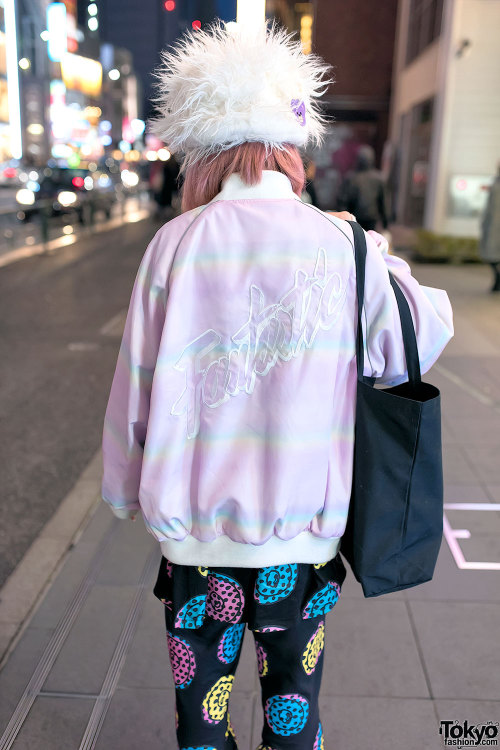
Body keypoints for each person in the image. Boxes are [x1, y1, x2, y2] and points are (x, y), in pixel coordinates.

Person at [101, 22, 453, 750]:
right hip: (302, 539)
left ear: (204, 155)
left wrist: (122, 486)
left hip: (196, 542)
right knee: (296, 706)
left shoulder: (176, 244)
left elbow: (134, 381)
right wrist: (374, 250)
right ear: (289, 151)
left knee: (200, 722)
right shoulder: (338, 242)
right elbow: (420, 337)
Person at [338, 144, 389, 231]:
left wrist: (342, 219)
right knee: (369, 240)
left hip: (354, 217)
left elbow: (343, 201)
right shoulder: (378, 178)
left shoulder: (351, 178)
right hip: (371, 218)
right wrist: (385, 222)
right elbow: (383, 202)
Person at [480, 164, 500, 292]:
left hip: (495, 226)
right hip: (493, 225)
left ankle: (497, 281)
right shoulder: (496, 181)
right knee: (491, 256)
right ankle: (497, 278)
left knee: (494, 255)